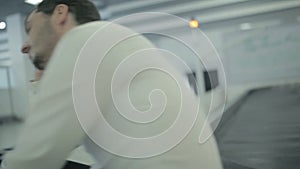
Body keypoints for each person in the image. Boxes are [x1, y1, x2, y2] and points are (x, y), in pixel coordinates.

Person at [1, 0, 223, 169]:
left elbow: (37, 155)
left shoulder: (84, 39)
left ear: (60, 13)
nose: (25, 45)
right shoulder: (106, 40)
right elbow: (57, 132)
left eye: (30, 29)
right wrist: (43, 76)